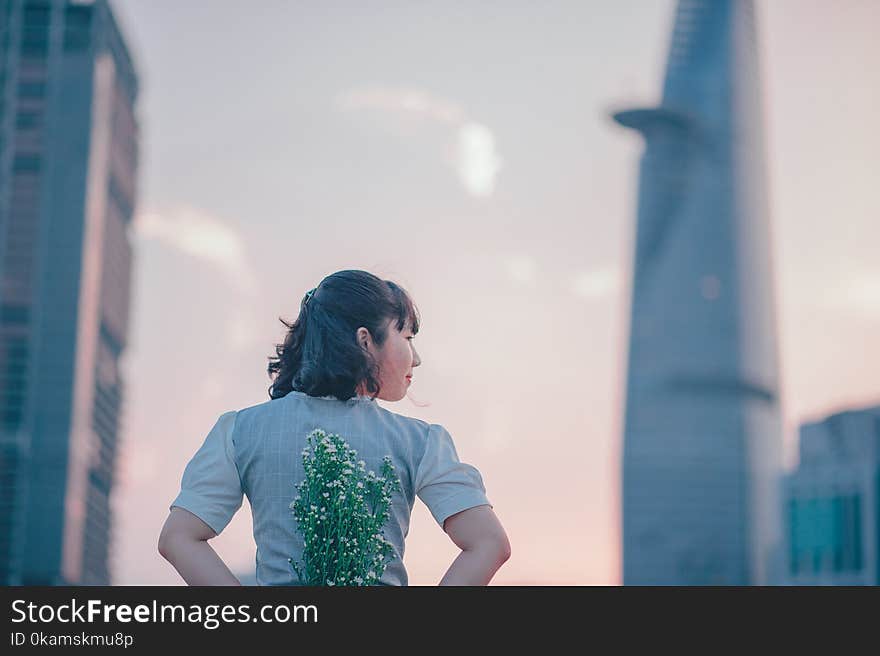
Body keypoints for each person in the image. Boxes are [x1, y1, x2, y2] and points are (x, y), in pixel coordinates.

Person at [158, 269, 510, 585]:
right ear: (365, 340)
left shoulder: (240, 429)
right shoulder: (420, 441)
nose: (416, 358)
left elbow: (178, 538)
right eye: (406, 336)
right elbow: (489, 544)